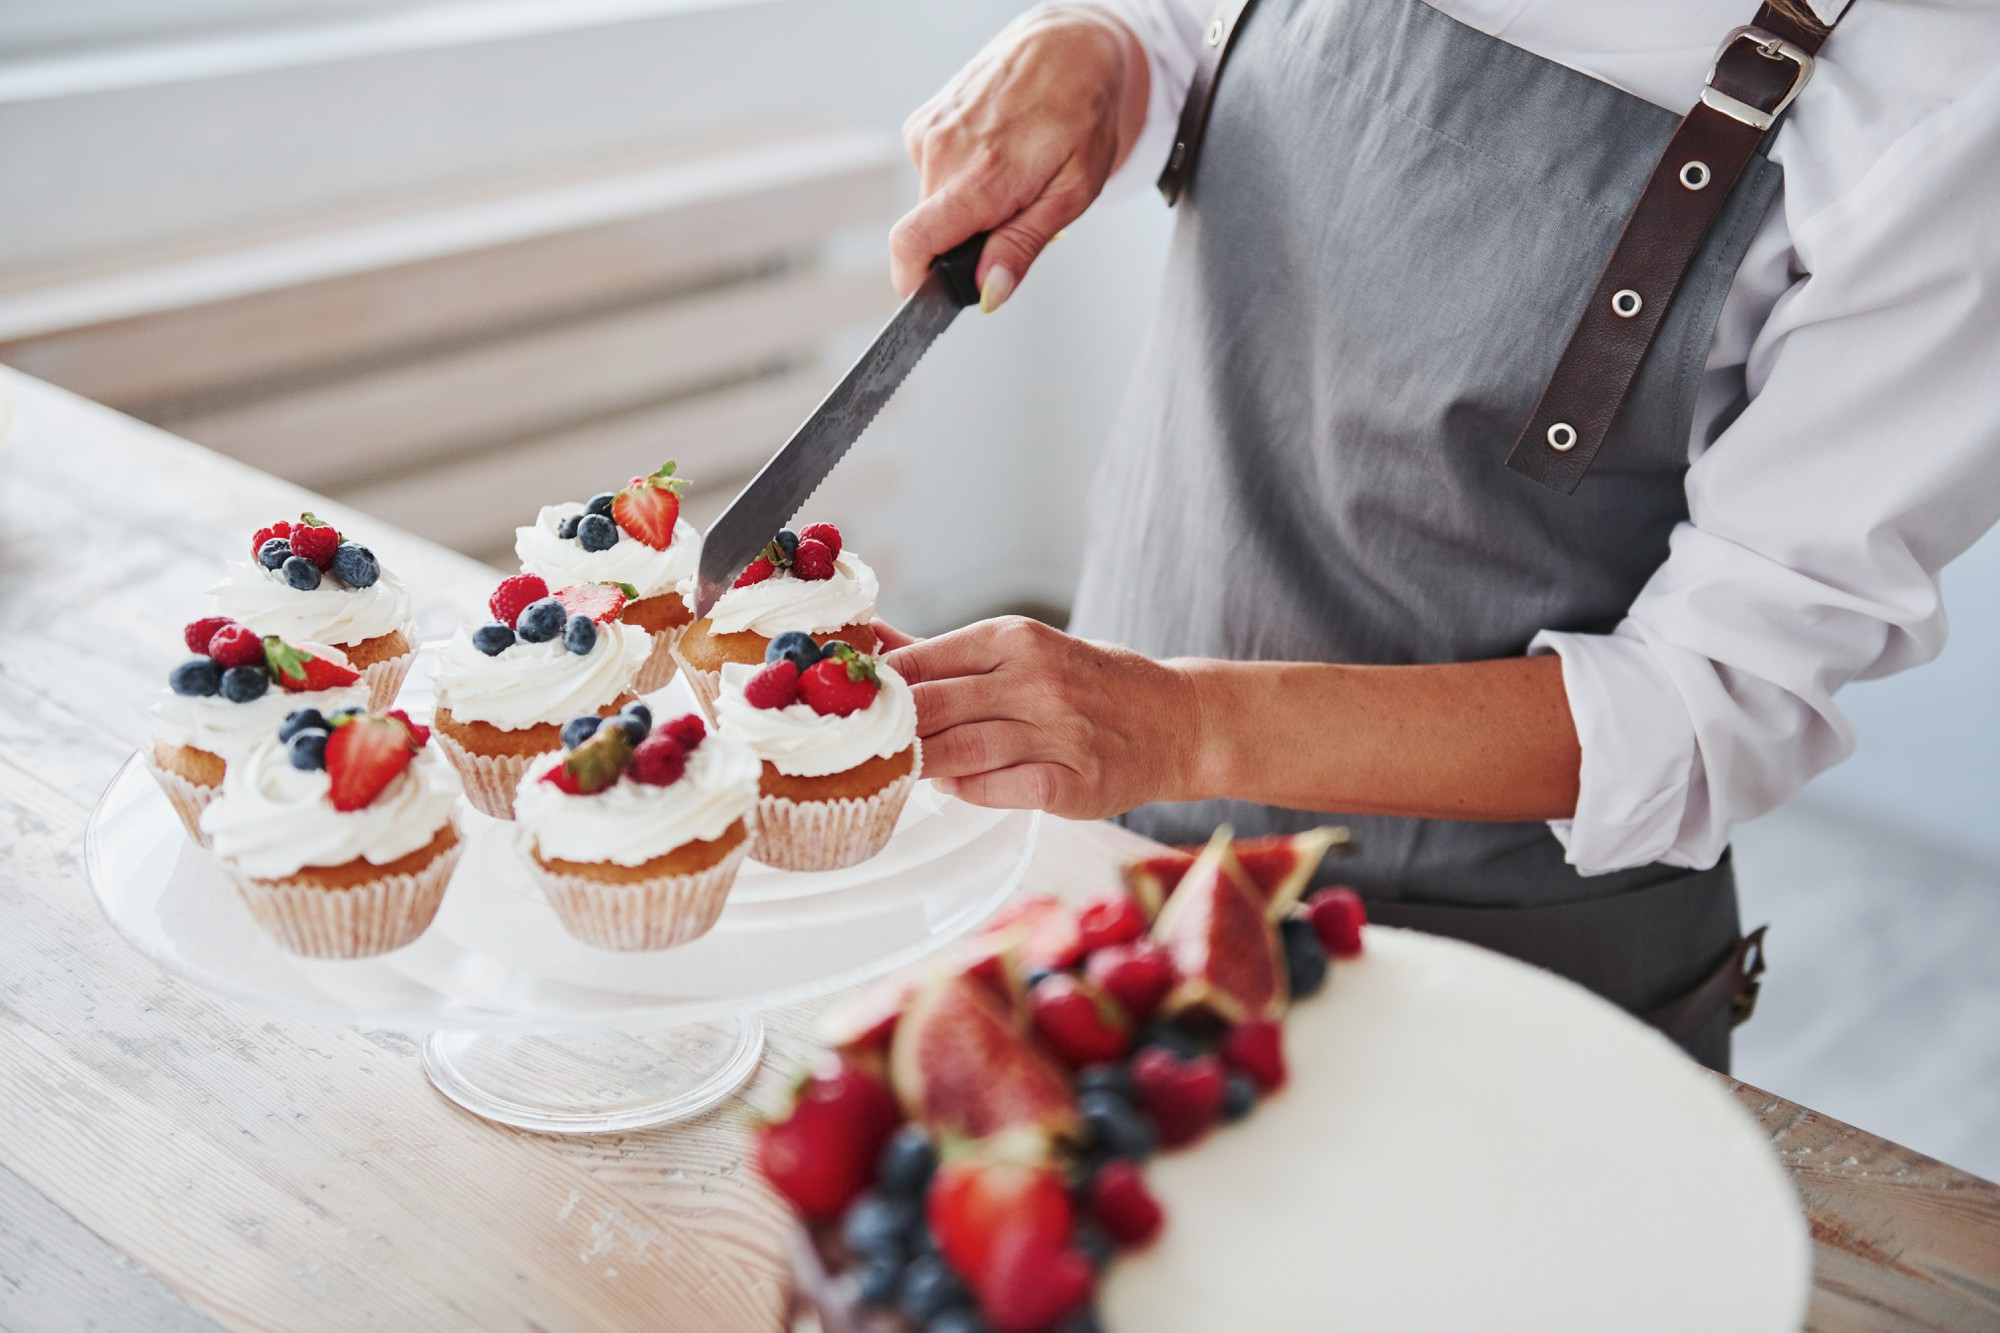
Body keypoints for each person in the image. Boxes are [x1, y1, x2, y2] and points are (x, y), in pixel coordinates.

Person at [876, 0, 2000, 1070]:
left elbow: (1713, 704)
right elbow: (1189, 34)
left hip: (1494, 961)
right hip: (1105, 841)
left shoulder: (1945, 111)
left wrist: (1187, 725)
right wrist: (1096, 47)